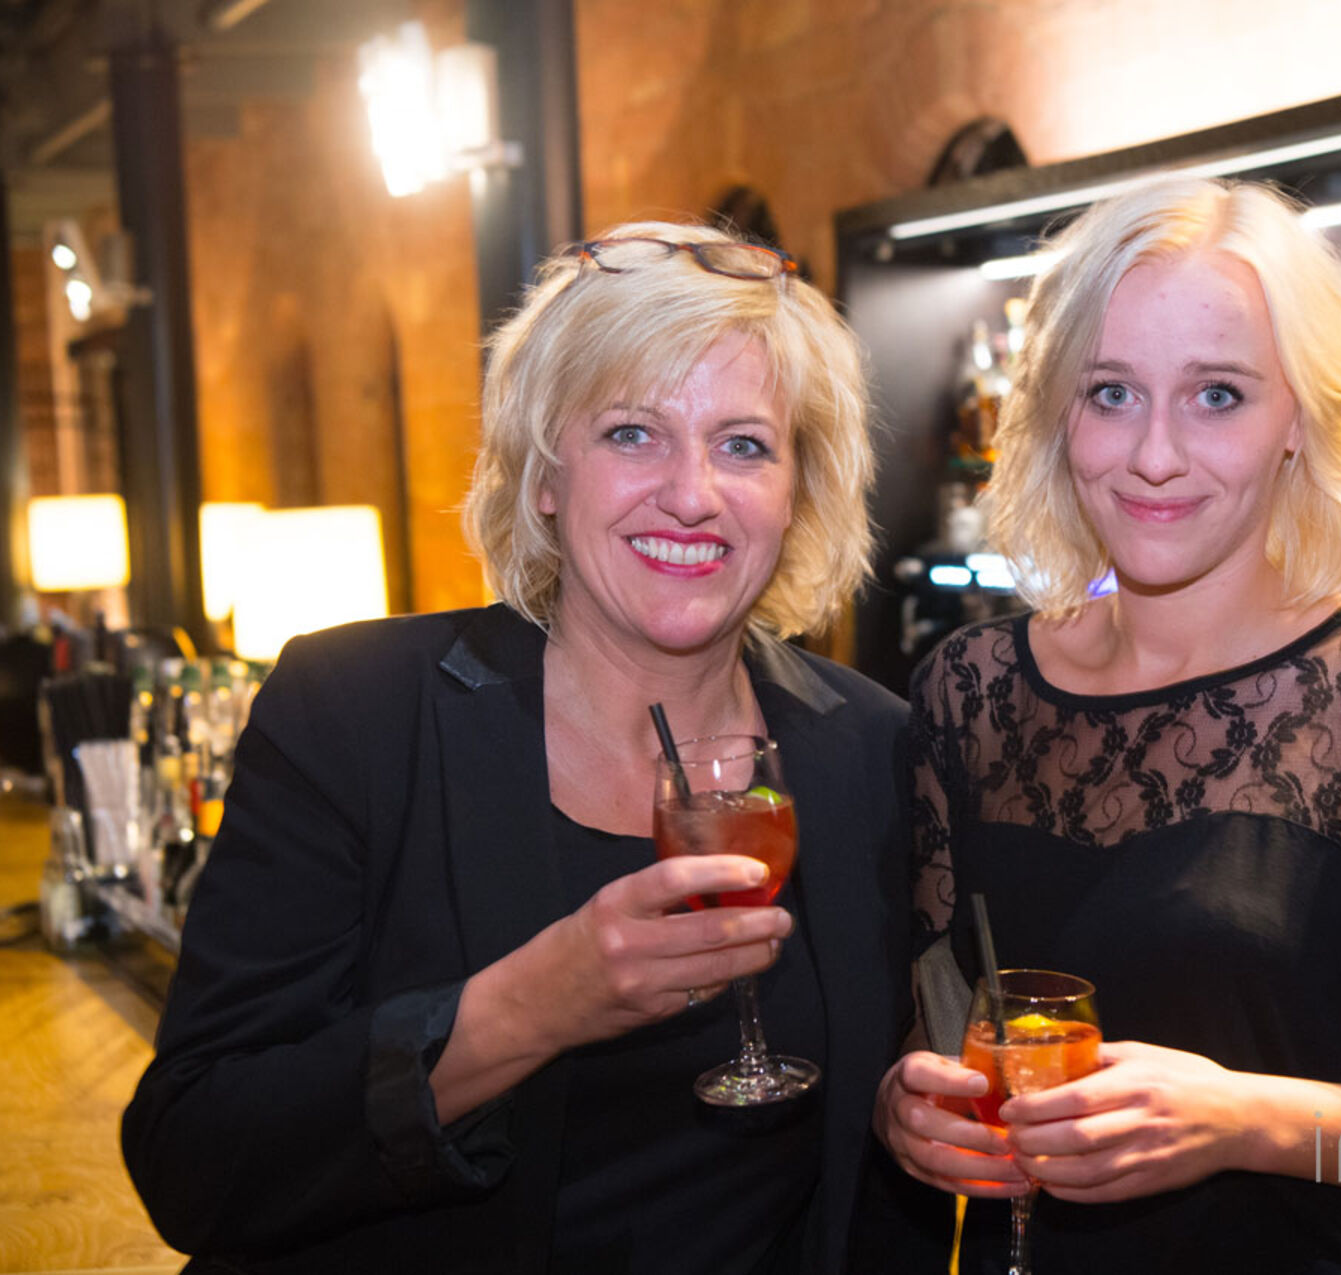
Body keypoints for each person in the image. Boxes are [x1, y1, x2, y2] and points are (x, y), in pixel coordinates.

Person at [123, 224, 912, 1274]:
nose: (692, 493)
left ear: (798, 490)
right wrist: (527, 1009)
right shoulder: (356, 714)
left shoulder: (874, 747)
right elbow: (192, 1155)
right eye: (632, 434)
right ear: (544, 476)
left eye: (744, 445)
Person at [873, 178, 1341, 1272]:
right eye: (1111, 392)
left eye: (1217, 395)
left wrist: (1247, 1121)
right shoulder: (967, 693)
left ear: (1298, 419)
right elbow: (936, 1026)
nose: (1155, 453)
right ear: (1059, 412)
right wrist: (909, 1107)